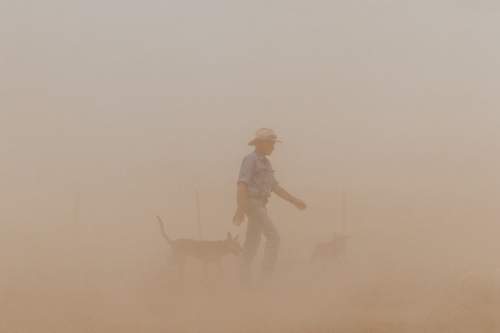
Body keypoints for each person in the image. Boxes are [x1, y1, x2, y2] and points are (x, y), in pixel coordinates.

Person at [233, 128, 307, 290]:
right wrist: (240, 207)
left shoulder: (266, 163)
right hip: (252, 204)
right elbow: (241, 183)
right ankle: (266, 279)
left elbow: (274, 186)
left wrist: (293, 200)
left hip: (260, 205)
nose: (273, 147)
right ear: (260, 143)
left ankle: (244, 279)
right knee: (274, 236)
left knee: (252, 242)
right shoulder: (250, 159)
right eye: (270, 143)